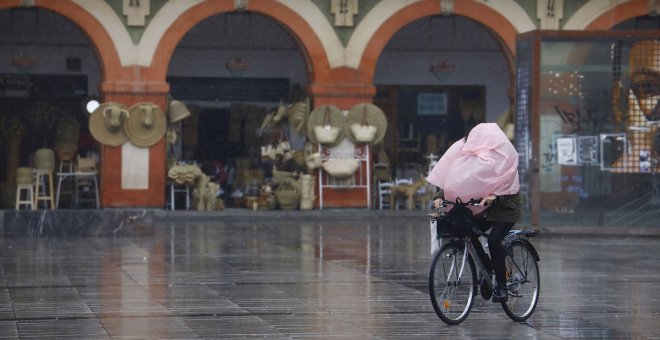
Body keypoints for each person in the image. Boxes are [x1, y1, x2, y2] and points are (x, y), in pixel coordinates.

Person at [426, 123, 521, 302]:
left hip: (505, 209)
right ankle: (488, 268)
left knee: (494, 241)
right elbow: (456, 177)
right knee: (466, 232)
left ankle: (501, 286)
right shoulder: (468, 154)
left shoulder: (503, 155)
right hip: (481, 209)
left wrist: (495, 196)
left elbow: (508, 183)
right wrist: (440, 195)